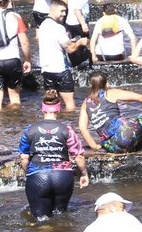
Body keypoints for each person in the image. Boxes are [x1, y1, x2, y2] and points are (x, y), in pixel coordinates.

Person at [18, 89, 89, 219]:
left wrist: (26, 173)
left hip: (38, 175)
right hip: (62, 177)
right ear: (59, 109)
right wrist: (84, 174)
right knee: (61, 217)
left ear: (42, 109)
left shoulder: (29, 130)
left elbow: (24, 157)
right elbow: (78, 156)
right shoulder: (67, 130)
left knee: (40, 219)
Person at [78, 72, 142, 153]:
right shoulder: (109, 93)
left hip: (110, 146)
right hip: (123, 136)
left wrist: (94, 146)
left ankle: (139, 149)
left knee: (141, 135)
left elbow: (82, 128)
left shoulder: (85, 103)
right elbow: (140, 98)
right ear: (106, 84)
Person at [38, 2, 87, 111]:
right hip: (60, 70)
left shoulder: (43, 25)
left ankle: (51, 123)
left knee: (51, 103)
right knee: (70, 105)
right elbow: (70, 49)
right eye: (61, 11)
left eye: (65, 11)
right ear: (52, 10)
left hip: (46, 69)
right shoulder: (58, 27)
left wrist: (70, 41)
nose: (64, 14)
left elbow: (55, 42)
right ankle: (68, 123)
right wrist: (80, 42)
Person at [65, 0, 91, 67]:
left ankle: (78, 66)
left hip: (75, 22)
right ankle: (80, 68)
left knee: (80, 47)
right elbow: (76, 10)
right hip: (76, 23)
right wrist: (83, 24)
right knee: (83, 46)